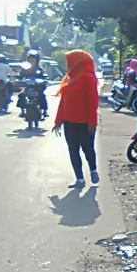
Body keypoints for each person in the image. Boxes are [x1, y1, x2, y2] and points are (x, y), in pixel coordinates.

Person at [52, 51, 101, 188]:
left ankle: (93, 170)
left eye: (70, 61)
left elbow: (93, 102)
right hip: (69, 121)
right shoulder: (69, 78)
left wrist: (92, 122)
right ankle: (79, 179)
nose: (68, 64)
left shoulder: (88, 78)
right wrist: (58, 120)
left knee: (88, 148)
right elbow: (64, 101)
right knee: (73, 150)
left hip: (85, 123)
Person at [20, 49, 49, 118]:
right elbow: (20, 75)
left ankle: (45, 111)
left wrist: (45, 79)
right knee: (21, 95)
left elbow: (45, 76)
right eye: (30, 58)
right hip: (28, 86)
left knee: (42, 96)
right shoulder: (25, 68)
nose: (32, 60)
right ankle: (22, 111)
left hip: (38, 87)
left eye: (34, 58)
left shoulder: (40, 69)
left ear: (37, 59)